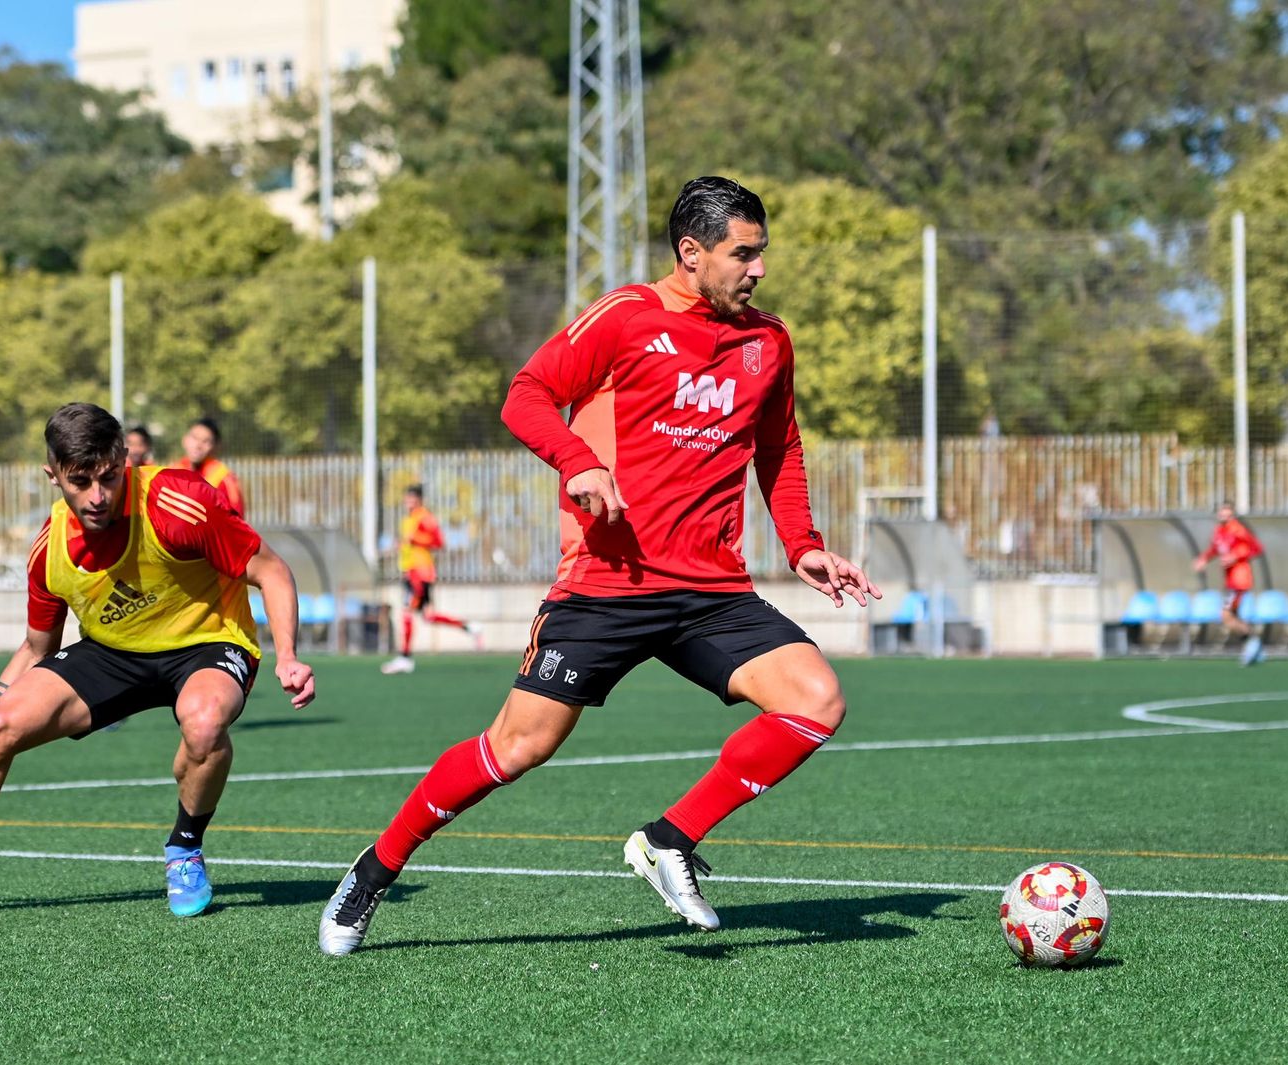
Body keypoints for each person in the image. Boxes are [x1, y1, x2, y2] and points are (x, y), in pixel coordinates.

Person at [320, 176, 881, 956]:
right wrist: (579, 460)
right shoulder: (627, 318)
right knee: (517, 747)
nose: (757, 270)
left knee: (816, 700)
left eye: (761, 253)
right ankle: (375, 869)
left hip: (711, 589)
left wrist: (804, 544)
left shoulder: (769, 340)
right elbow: (528, 395)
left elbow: (779, 446)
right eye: (741, 254)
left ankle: (670, 838)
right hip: (608, 583)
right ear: (691, 252)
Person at [0, 403, 315, 921]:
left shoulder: (179, 500)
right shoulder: (49, 553)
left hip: (206, 642)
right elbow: (34, 649)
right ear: (53, 475)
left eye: (109, 477)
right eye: (80, 482)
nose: (98, 496)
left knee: (204, 723)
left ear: (124, 459)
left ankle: (184, 849)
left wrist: (288, 656)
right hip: (112, 653)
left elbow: (271, 571)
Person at [380, 484, 479, 674]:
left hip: (421, 573)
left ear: (419, 500)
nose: (408, 502)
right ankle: (469, 627)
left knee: (407, 612)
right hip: (411, 571)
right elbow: (409, 544)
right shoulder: (408, 520)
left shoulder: (425, 517)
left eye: (412, 499)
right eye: (406, 498)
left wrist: (415, 540)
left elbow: (439, 541)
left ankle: (405, 658)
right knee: (428, 615)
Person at [1193, 501, 1265, 665]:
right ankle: (1252, 648)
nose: (1224, 516)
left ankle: (1254, 643)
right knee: (1234, 616)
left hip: (1240, 579)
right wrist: (1203, 559)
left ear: (1232, 515)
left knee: (1225, 616)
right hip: (1230, 580)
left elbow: (1256, 548)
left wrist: (1235, 556)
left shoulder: (1237, 529)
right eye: (1222, 512)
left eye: (1228, 513)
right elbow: (1215, 549)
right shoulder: (1219, 531)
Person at [172, 416, 244, 518]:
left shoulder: (224, 478)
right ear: (184, 440)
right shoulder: (171, 473)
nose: (198, 445)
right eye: (194, 438)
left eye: (206, 441)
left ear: (215, 447)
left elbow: (237, 519)